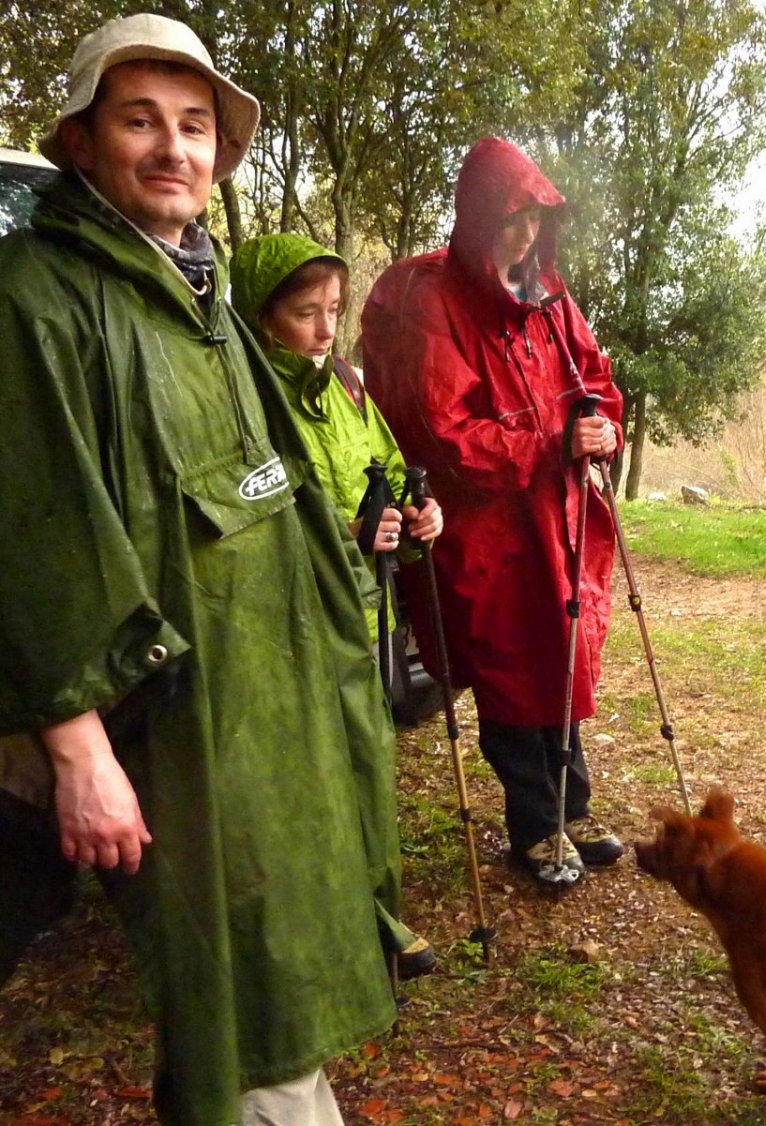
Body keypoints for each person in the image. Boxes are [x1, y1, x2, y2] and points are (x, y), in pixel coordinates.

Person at [0, 15, 401, 1122]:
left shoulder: (203, 298)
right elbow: (32, 531)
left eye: (195, 126)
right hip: (155, 726)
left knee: (260, 976)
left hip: (256, 716)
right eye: (140, 121)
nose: (174, 148)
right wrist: (78, 750)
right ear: (81, 145)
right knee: (241, 989)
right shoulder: (36, 296)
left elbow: (269, 495)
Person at [361, 137, 625, 887]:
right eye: (513, 217)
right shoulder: (434, 302)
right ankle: (536, 828)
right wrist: (551, 436)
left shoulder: (550, 297)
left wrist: (601, 424)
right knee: (515, 671)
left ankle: (571, 808)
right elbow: (446, 437)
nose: (527, 234)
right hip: (486, 533)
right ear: (479, 219)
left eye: (539, 217)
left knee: (566, 659)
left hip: (559, 519)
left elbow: (592, 381)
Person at [229, 231, 443, 978]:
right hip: (293, 626)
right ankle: (344, 927)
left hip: (368, 613)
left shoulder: (347, 386)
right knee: (311, 782)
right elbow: (245, 519)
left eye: (334, 309)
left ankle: (372, 917)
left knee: (368, 767)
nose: (325, 329)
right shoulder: (244, 399)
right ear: (260, 318)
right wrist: (343, 536)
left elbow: (381, 468)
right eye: (304, 312)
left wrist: (416, 522)